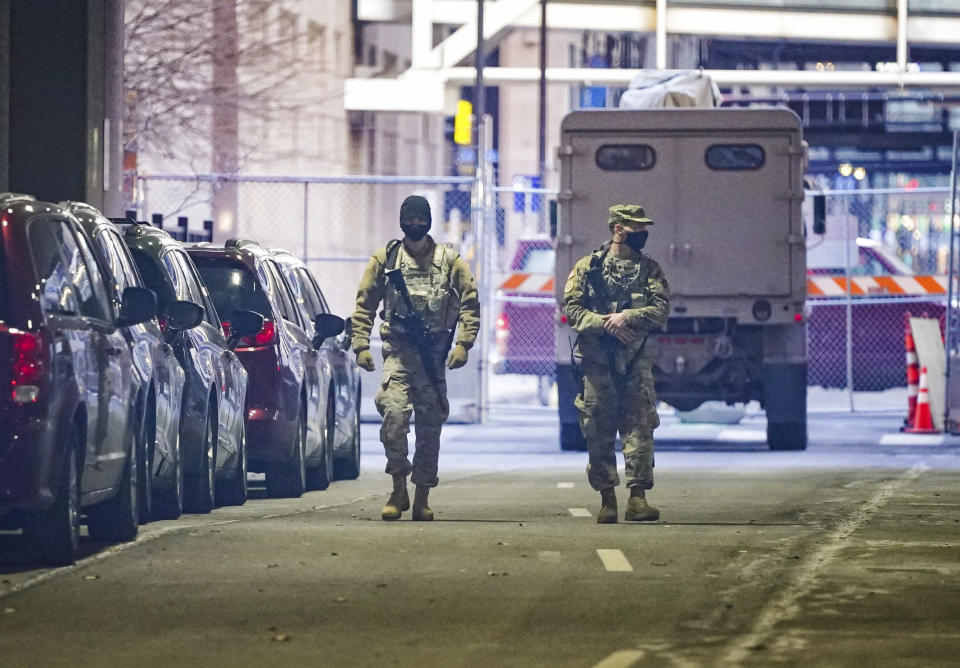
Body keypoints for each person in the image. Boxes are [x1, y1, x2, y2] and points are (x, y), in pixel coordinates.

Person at [351, 195, 480, 521]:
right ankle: (398, 488)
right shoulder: (386, 260)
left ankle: (422, 496)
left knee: (429, 429)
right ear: (402, 220)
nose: (416, 224)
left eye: (422, 219)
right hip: (399, 355)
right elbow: (365, 303)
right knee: (393, 418)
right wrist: (361, 345)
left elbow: (470, 302)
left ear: (429, 221)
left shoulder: (450, 261)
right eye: (411, 218)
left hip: (432, 358)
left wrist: (463, 344)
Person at [562, 204, 670, 523]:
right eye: (635, 228)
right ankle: (607, 499)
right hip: (597, 365)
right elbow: (573, 310)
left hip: (635, 364)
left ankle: (638, 498)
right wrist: (604, 323)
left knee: (640, 427)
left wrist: (629, 316)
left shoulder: (649, 270)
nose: (642, 234)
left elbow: (661, 308)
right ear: (617, 229)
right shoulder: (587, 268)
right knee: (598, 429)